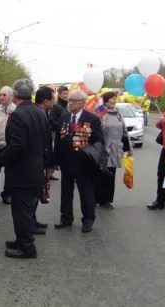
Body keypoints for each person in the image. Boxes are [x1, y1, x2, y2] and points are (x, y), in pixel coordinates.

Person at [0, 79, 50, 259]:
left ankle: (27, 247)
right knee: (26, 210)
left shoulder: (18, 115)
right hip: (35, 169)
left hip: (22, 171)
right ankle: (21, 240)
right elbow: (46, 141)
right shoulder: (39, 113)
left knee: (21, 211)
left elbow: (17, 146)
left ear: (14, 95)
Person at [54, 90, 105, 233]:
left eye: (74, 101)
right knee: (66, 192)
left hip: (84, 162)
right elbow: (58, 139)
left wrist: (91, 151)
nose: (71, 103)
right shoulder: (64, 118)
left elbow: (100, 140)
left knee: (86, 192)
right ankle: (66, 218)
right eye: (70, 100)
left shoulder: (91, 118)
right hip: (66, 161)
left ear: (83, 102)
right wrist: (56, 159)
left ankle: (88, 219)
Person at [95, 92, 132, 209]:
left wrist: (129, 148)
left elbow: (125, 132)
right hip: (102, 148)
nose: (114, 101)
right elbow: (95, 132)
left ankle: (107, 200)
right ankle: (96, 198)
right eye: (112, 99)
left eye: (115, 99)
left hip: (116, 149)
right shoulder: (99, 114)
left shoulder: (119, 115)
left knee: (111, 175)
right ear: (105, 101)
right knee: (100, 174)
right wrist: (102, 124)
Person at [31, 86, 56, 234]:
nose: (54, 102)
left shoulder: (44, 114)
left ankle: (33, 219)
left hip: (42, 161)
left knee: (37, 193)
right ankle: (30, 224)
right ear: (46, 101)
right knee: (33, 195)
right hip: (36, 162)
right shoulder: (37, 115)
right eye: (53, 99)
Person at [0, 86, 15, 205]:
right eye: (0, 95)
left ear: (11, 96)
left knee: (10, 173)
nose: (1, 97)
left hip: (10, 146)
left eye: (4, 95)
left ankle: (7, 194)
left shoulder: (16, 110)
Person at [47, 86, 69, 180]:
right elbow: (51, 119)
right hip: (55, 132)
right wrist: (61, 126)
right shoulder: (56, 106)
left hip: (63, 132)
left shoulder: (66, 104)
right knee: (54, 152)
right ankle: (48, 173)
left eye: (67, 93)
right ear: (59, 94)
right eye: (64, 93)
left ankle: (50, 172)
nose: (66, 95)